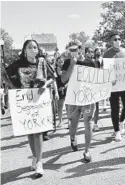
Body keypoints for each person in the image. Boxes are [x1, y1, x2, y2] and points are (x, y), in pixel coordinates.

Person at [5, 40, 57, 178]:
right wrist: (14, 88)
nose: (33, 49)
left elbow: (53, 77)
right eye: (29, 47)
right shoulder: (18, 64)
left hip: (39, 100)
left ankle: (39, 162)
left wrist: (45, 85)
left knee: (38, 131)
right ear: (24, 50)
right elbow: (4, 75)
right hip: (24, 102)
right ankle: (35, 157)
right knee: (29, 131)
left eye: (35, 47)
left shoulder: (42, 62)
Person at [61, 40, 94, 162]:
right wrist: (72, 65)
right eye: (71, 50)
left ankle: (87, 150)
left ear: (80, 49)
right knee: (73, 123)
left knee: (88, 122)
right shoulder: (67, 63)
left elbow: (96, 81)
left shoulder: (90, 62)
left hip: (87, 98)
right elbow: (63, 79)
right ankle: (73, 137)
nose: (73, 52)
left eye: (76, 49)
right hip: (73, 99)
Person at [103, 33, 125, 141]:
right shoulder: (106, 54)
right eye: (115, 39)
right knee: (115, 108)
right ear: (111, 41)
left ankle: (121, 122)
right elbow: (105, 70)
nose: (118, 40)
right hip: (113, 85)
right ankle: (117, 131)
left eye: (119, 39)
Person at [55, 56, 67, 128]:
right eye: (59, 62)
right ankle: (60, 120)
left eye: (62, 62)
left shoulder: (66, 69)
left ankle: (69, 121)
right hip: (58, 90)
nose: (60, 63)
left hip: (66, 88)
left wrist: (64, 87)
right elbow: (54, 80)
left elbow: (69, 80)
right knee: (60, 106)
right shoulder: (54, 70)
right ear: (56, 62)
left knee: (68, 106)